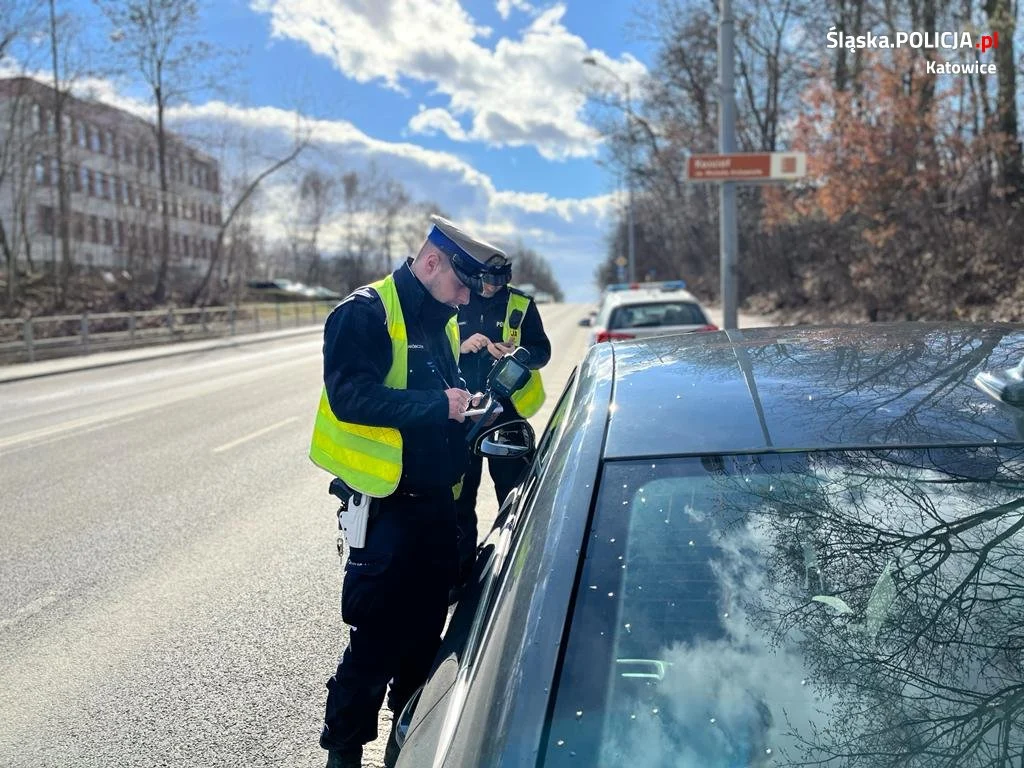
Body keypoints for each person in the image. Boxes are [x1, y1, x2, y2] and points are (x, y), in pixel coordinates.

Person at [309, 215, 510, 768]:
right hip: (386, 511)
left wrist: (467, 407)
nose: (465, 298)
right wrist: (435, 406)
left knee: (424, 645)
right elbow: (351, 397)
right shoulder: (363, 312)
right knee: (375, 645)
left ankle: (409, 748)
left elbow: (434, 393)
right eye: (461, 284)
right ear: (430, 263)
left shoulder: (439, 318)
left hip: (436, 509)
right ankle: (344, 754)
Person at [454, 258, 551, 585]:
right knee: (459, 498)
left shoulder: (521, 304)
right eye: (487, 280)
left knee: (514, 495)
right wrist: (461, 346)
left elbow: (542, 350)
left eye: (500, 280)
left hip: (505, 413)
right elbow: (428, 348)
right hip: (462, 413)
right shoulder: (455, 297)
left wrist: (518, 354)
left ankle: (517, 574)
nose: (493, 287)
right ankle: (460, 574)